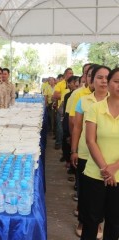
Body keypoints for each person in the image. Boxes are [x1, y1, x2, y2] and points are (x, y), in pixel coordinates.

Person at [71, 65, 110, 239]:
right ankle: (84, 221)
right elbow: (77, 127)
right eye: (99, 77)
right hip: (85, 154)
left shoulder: (114, 101)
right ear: (91, 80)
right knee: (86, 193)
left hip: (107, 157)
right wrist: (74, 150)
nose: (103, 81)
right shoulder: (84, 101)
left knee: (103, 195)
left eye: (106, 78)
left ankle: (98, 224)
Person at [81, 67, 119, 240]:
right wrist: (105, 168)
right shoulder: (95, 108)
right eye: (116, 81)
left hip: (118, 176)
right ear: (109, 83)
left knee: (115, 223)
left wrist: (114, 168)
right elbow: (90, 140)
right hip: (95, 174)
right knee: (91, 221)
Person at [53, 67, 74, 150]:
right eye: (70, 73)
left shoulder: (75, 83)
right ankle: (58, 142)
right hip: (61, 108)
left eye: (72, 73)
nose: (72, 75)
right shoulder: (60, 84)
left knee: (68, 128)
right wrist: (65, 96)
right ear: (65, 74)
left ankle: (67, 145)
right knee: (60, 127)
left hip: (72, 108)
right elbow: (55, 95)